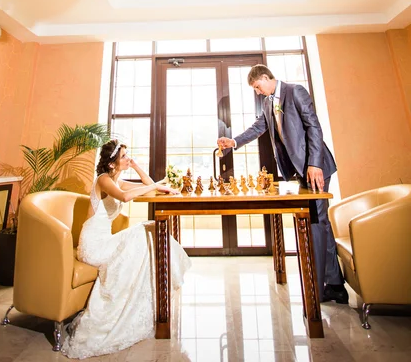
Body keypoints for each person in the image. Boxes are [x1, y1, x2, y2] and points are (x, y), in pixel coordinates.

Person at [217, 64, 348, 305]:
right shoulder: (268, 103)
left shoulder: (295, 91)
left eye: (257, 86)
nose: (257, 92)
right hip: (295, 172)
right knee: (320, 222)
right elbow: (259, 128)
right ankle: (335, 285)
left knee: (315, 223)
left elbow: (313, 128)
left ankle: (317, 290)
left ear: (266, 78)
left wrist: (315, 164)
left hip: (314, 168)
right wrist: (234, 142)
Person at [62, 139, 191, 359]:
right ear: (111, 163)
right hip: (92, 245)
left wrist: (140, 168)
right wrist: (155, 185)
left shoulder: (116, 180)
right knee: (143, 231)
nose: (127, 158)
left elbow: (147, 185)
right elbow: (126, 197)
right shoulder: (103, 180)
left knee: (151, 229)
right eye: (123, 156)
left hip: (104, 241)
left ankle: (153, 295)